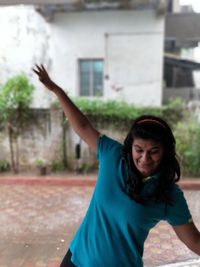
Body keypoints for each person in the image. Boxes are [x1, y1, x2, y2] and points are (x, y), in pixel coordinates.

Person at [33, 64, 200, 267]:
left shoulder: (169, 195)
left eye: (154, 151)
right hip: (76, 260)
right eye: (139, 150)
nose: (145, 158)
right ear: (130, 147)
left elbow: (194, 240)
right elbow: (83, 126)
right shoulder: (113, 156)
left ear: (165, 152)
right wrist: (55, 89)